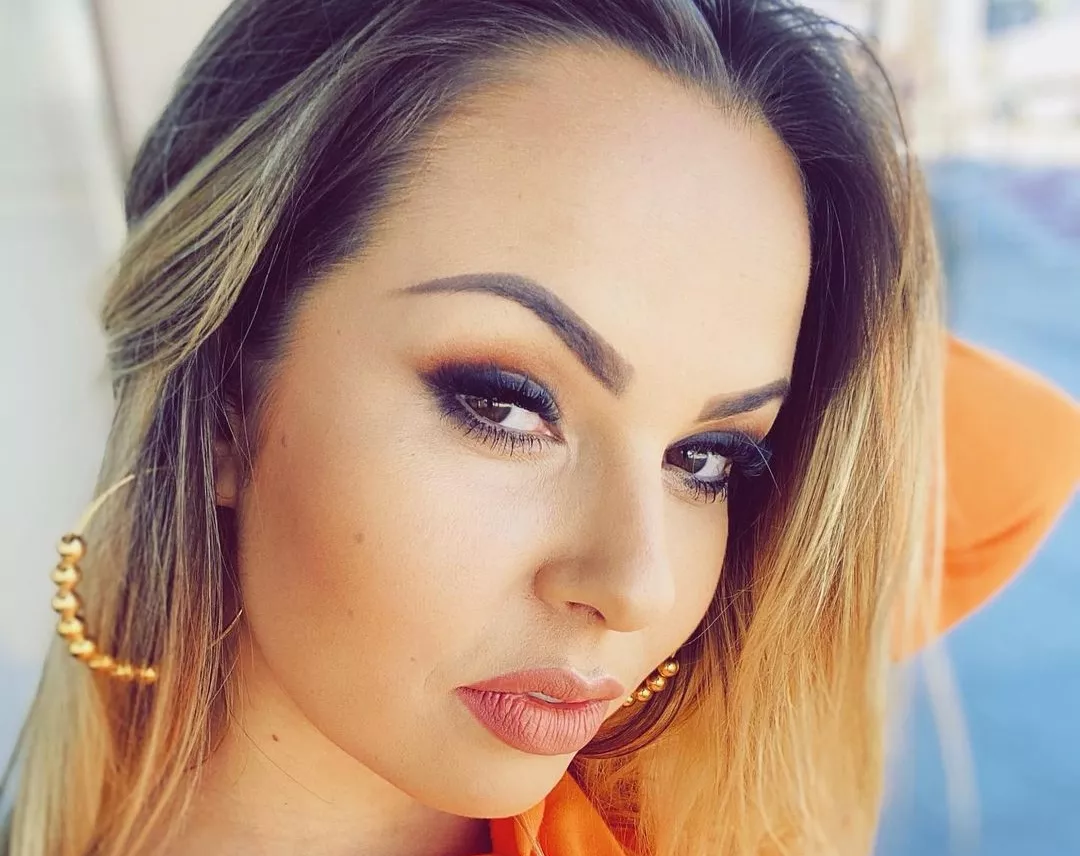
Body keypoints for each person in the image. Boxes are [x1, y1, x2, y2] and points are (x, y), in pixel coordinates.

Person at [2, 1, 1078, 854]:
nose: (639, 586)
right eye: (507, 402)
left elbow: (1021, 450)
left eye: (709, 458)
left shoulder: (671, 777)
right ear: (224, 399)